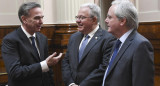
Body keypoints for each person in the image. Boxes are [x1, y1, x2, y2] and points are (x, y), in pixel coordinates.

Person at [1, 2, 62, 86]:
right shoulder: (10, 40)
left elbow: (48, 71)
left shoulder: (42, 38)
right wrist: (44, 65)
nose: (41, 22)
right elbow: (15, 72)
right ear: (24, 19)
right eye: (37, 18)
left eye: (42, 17)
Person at [102, 0, 154, 86]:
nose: (106, 20)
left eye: (110, 17)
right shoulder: (117, 42)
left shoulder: (141, 45)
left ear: (122, 21)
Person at [62, 3, 115, 86]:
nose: (77, 21)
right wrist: (71, 83)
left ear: (94, 20)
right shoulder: (74, 37)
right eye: (77, 17)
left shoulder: (108, 39)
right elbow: (66, 61)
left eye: (82, 17)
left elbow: (104, 67)